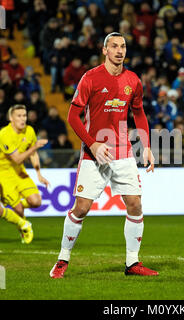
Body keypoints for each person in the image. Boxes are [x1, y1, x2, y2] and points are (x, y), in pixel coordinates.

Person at [50, 32, 158, 279]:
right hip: (93, 153)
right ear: (104, 50)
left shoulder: (133, 80)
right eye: (114, 46)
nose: (119, 50)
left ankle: (133, 263)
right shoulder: (91, 78)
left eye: (123, 46)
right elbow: (72, 117)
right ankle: (63, 258)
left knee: (135, 203)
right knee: (81, 208)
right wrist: (93, 144)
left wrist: (147, 145)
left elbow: (139, 113)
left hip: (123, 152)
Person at [0, 104, 50, 243]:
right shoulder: (4, 134)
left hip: (19, 171)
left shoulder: (29, 131)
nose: (23, 119)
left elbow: (32, 153)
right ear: (11, 118)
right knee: (19, 210)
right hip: (3, 174)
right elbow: (17, 158)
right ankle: (24, 229)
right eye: (19, 116)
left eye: (24, 115)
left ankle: (16, 204)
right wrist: (35, 146)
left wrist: (39, 173)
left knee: (36, 201)